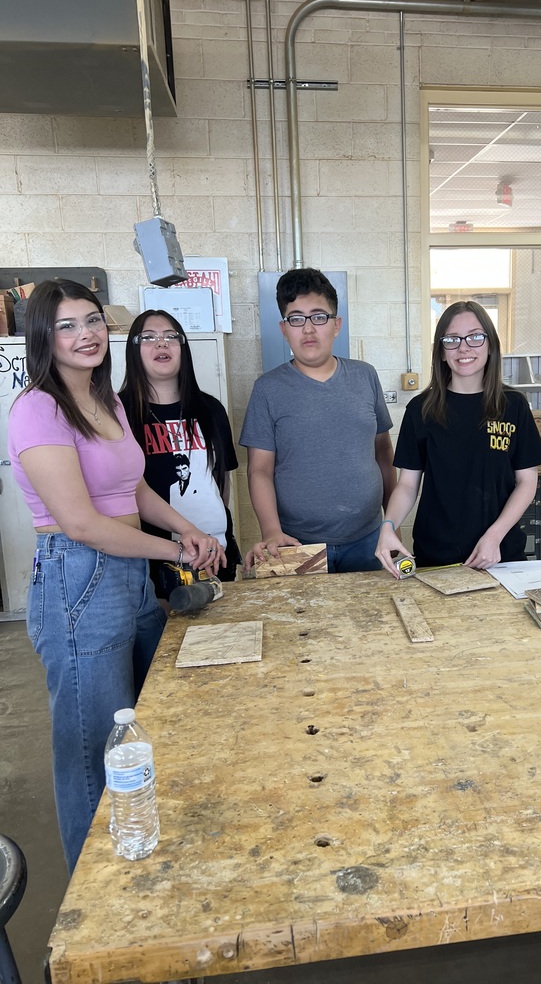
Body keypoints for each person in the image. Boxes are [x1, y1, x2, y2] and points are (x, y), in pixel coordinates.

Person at [7, 281, 225, 873]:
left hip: (129, 576)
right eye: (68, 325)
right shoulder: (38, 408)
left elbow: (134, 489)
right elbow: (80, 522)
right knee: (89, 750)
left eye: (94, 320)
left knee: (141, 724)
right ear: (44, 337)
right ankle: (91, 887)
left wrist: (186, 530)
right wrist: (173, 551)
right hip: (77, 581)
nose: (87, 335)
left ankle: (137, 863)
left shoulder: (110, 402)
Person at [239, 268, 396, 574]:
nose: (308, 329)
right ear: (284, 329)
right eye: (296, 318)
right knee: (304, 621)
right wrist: (271, 530)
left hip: (368, 538)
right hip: (297, 545)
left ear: (336, 325)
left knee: (372, 620)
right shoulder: (268, 389)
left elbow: (383, 455)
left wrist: (391, 525)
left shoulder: (365, 376)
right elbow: (259, 470)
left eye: (318, 316)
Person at [375, 300, 541, 577]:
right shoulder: (421, 410)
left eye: (475, 337)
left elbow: (527, 482)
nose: (464, 347)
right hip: (437, 555)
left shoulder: (513, 405)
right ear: (441, 352)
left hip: (501, 554)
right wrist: (387, 526)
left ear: (490, 345)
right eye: (452, 339)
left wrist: (494, 536)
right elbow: (407, 485)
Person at [120, 309, 240, 598]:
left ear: (183, 347)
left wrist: (217, 530)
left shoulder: (211, 410)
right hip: (155, 560)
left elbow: (221, 482)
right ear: (134, 351)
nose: (162, 344)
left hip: (216, 552)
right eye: (148, 337)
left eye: (171, 337)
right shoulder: (119, 412)